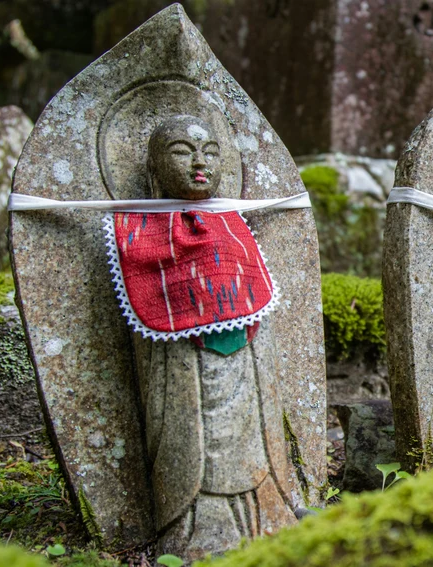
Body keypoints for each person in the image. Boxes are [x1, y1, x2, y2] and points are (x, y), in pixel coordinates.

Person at [127, 115, 296, 559]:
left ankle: (271, 511)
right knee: (191, 444)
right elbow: (148, 326)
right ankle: (192, 529)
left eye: (211, 153)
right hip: (186, 379)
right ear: (154, 167)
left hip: (246, 373)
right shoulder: (141, 235)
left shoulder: (234, 224)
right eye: (182, 152)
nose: (200, 163)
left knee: (256, 438)